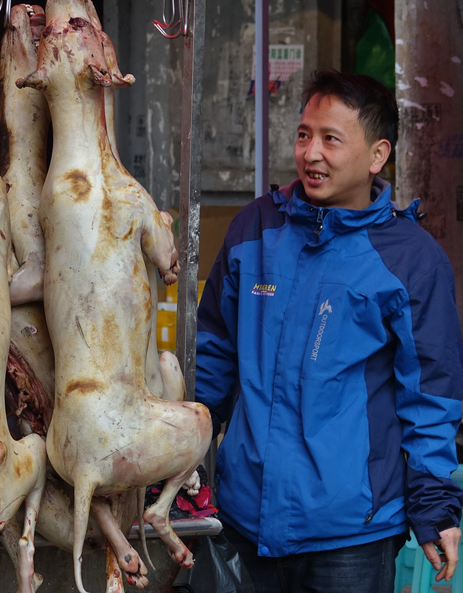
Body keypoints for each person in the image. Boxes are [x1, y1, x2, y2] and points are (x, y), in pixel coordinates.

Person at [196, 70, 463, 592]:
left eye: (330, 139)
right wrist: (179, 461)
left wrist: (433, 504)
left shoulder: (410, 259)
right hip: (243, 516)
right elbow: (212, 355)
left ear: (377, 155)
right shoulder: (256, 228)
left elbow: (431, 395)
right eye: (303, 134)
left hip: (351, 534)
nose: (310, 153)